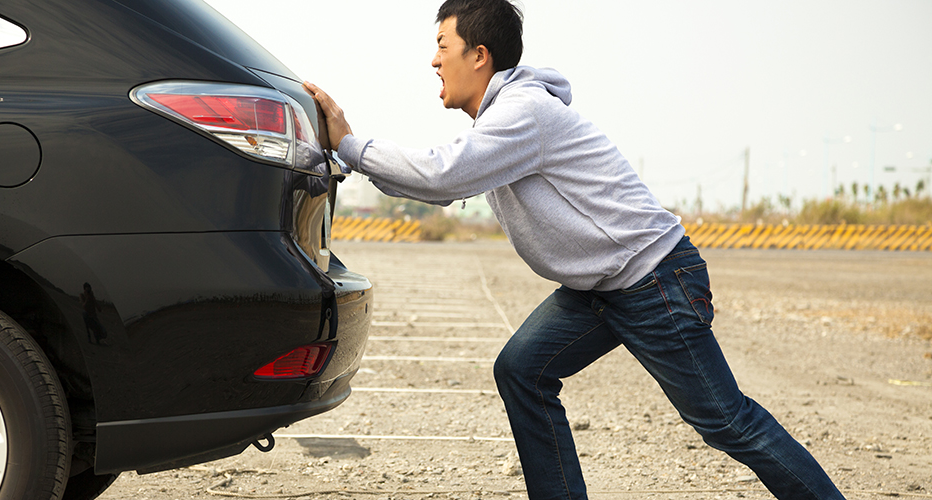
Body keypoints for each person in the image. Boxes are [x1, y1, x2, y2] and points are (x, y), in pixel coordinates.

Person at [304, 0, 845, 498]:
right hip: (601, 288)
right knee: (523, 370)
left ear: (480, 55)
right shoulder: (501, 120)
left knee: (727, 421)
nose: (433, 62)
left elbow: (444, 176)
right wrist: (346, 158)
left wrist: (350, 141)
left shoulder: (524, 113)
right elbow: (445, 181)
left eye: (442, 47)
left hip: (652, 280)